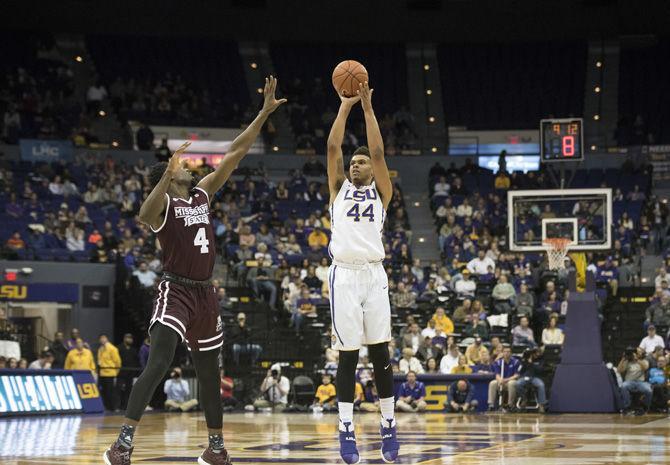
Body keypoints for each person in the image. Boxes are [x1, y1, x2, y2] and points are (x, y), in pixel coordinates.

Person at [104, 76, 285, 465]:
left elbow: (235, 152)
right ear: (168, 179)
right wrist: (166, 175)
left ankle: (215, 449)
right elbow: (143, 214)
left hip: (205, 294)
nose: (188, 166)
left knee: (209, 374)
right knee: (159, 362)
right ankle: (122, 444)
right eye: (181, 167)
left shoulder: (202, 193)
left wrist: (263, 114)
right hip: (176, 290)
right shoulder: (163, 206)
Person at [326, 81, 398, 464]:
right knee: (348, 357)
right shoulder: (337, 187)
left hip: (374, 275)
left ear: (372, 168)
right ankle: (346, 429)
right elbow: (333, 148)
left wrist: (368, 109)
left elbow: (380, 150)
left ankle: (388, 424)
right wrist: (345, 107)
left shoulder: (382, 191)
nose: (355, 163)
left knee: (380, 352)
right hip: (345, 275)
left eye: (361, 161)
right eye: (353, 162)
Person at [618, 346, 652, 414]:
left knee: (648, 390)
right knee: (623, 386)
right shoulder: (628, 361)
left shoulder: (644, 360)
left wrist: (637, 359)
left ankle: (644, 407)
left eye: (638, 352)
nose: (637, 353)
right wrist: (623, 359)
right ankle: (627, 407)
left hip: (641, 382)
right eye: (636, 352)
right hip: (629, 382)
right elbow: (619, 370)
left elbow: (645, 368)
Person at [487, 346, 520, 411]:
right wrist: (499, 380)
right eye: (505, 352)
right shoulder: (499, 362)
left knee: (511, 383)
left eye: (508, 352)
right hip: (501, 382)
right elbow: (497, 374)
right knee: (493, 383)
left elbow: (517, 375)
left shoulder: (516, 362)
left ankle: (510, 405)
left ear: (511, 353)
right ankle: (491, 405)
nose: (506, 353)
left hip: (511, 381)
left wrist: (506, 380)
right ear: (502, 353)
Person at [514, 348, 547, 413]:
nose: (536, 355)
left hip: (535, 377)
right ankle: (524, 398)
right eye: (535, 353)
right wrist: (524, 361)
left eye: (538, 353)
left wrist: (531, 363)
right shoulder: (525, 359)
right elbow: (520, 370)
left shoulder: (541, 360)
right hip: (525, 377)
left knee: (541, 385)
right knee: (517, 384)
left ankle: (541, 405)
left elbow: (540, 369)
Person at [98, 334, 122, 411]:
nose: (102, 340)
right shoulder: (100, 349)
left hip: (110, 373)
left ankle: (114, 407)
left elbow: (118, 362)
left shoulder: (112, 349)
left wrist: (115, 372)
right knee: (104, 391)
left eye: (104, 338)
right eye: (101, 338)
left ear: (107, 339)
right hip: (101, 373)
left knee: (110, 391)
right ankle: (107, 407)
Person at [117, 334, 139, 411]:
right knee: (119, 389)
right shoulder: (119, 348)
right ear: (124, 339)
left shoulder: (133, 350)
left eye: (131, 338)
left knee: (128, 390)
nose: (129, 340)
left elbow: (136, 361)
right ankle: (118, 406)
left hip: (130, 373)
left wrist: (135, 373)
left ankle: (127, 407)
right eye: (128, 338)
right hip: (121, 373)